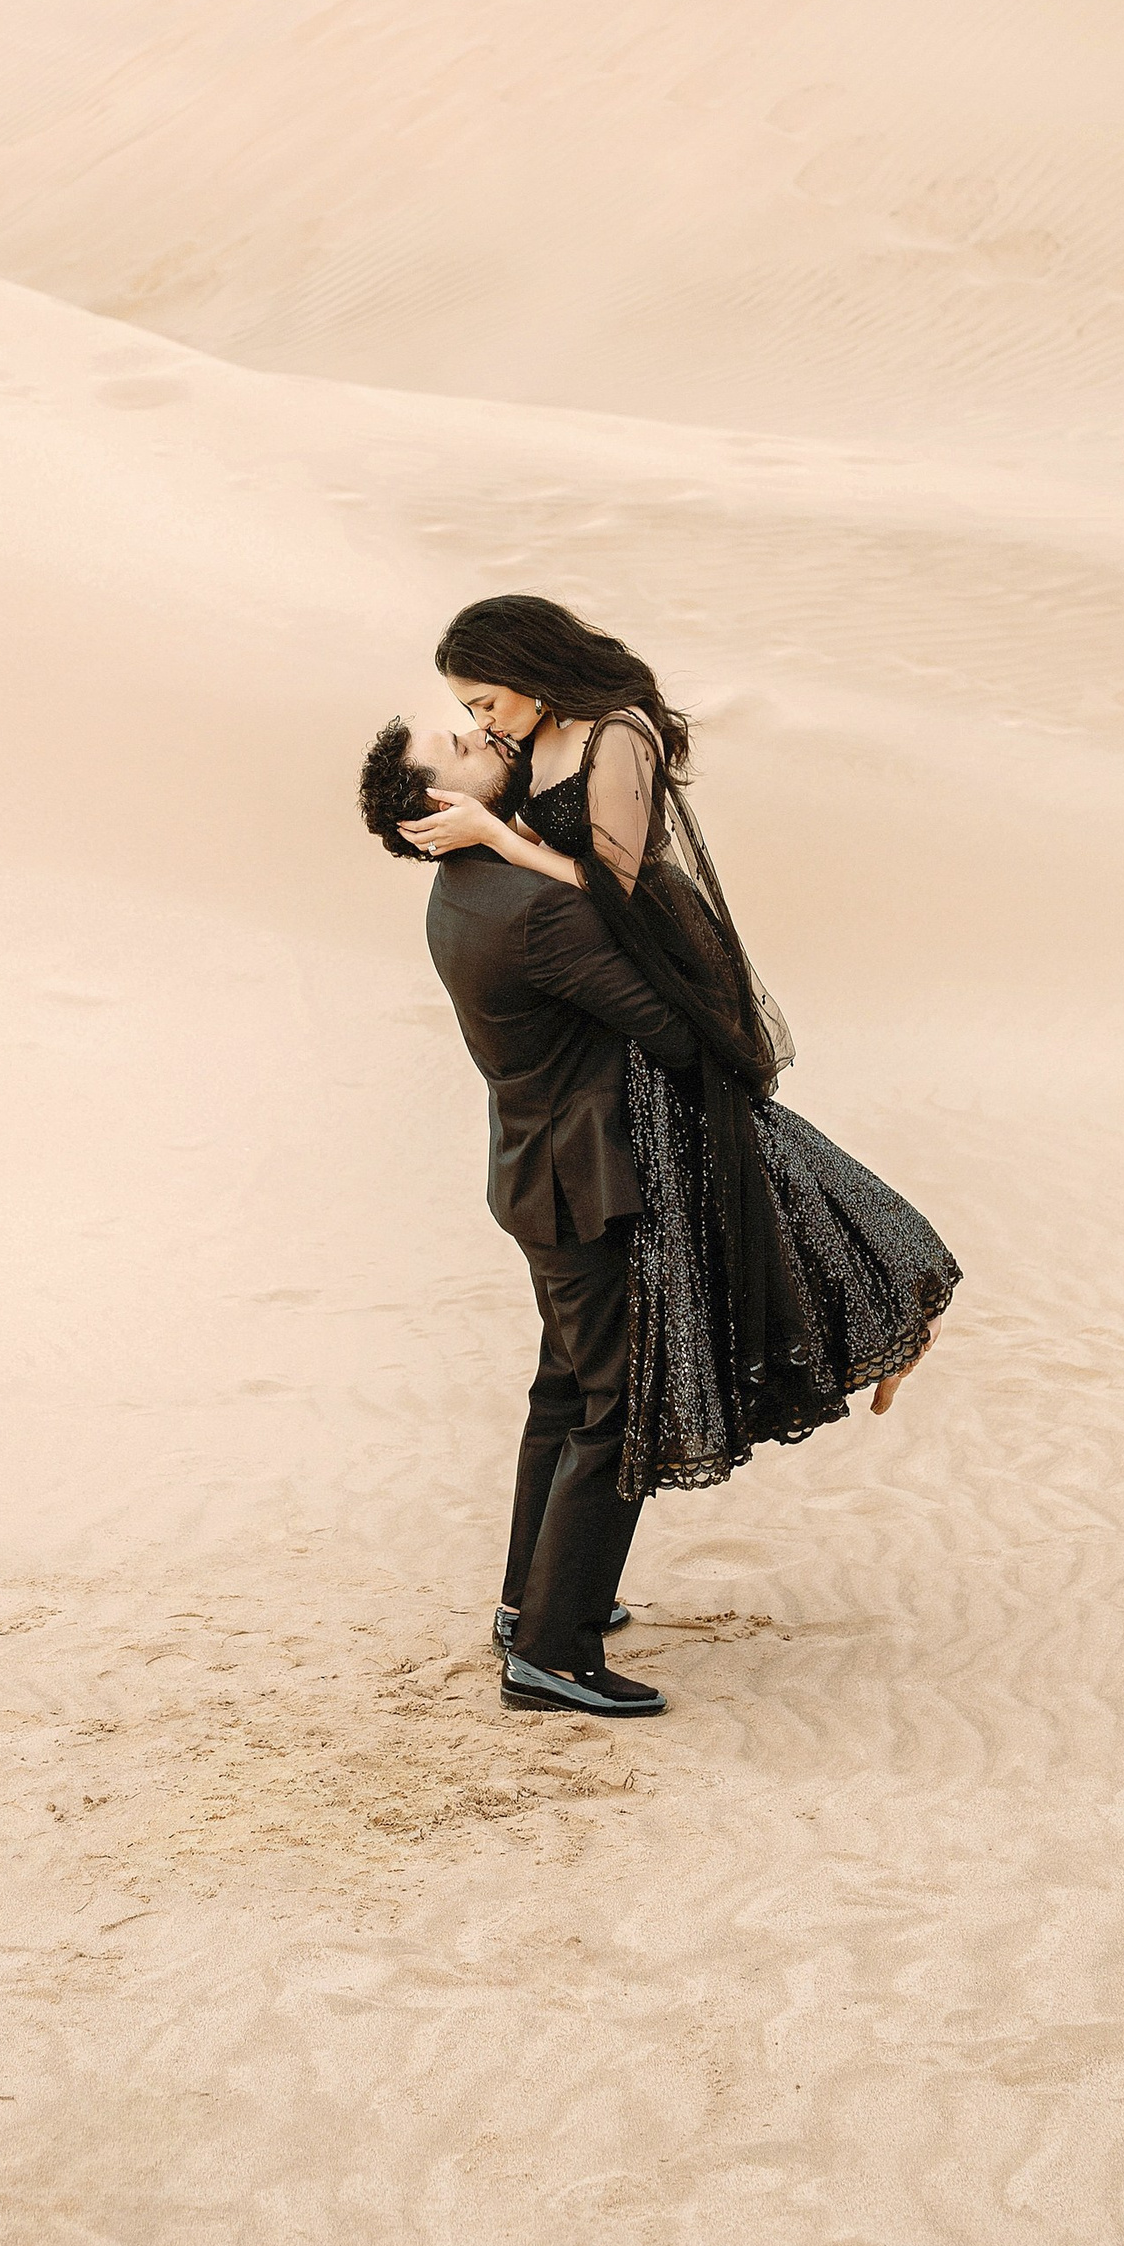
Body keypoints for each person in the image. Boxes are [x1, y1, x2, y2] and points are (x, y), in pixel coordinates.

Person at [388, 593, 958, 1508]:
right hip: (603, 978)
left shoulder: (621, 735)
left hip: (657, 949)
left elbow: (611, 883)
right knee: (742, 1170)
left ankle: (895, 1307)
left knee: (754, 1145)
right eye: (469, 714)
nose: (482, 723)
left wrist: (495, 837)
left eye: (486, 702)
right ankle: (881, 1317)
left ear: (531, 673)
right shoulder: (537, 736)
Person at [357, 714, 691, 1719]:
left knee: (567, 1390)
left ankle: (529, 1603)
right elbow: (664, 1022)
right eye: (461, 746)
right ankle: (552, 1651)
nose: (484, 735)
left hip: (536, 1171)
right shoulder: (530, 905)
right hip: (582, 1182)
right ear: (441, 807)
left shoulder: (457, 891)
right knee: (615, 1403)